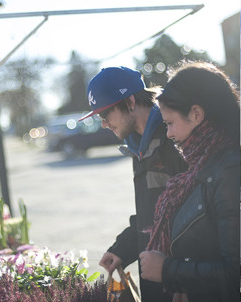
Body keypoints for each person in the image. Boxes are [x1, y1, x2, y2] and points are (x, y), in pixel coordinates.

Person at [79, 66, 187, 301]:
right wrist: (123, 249)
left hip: (179, 283)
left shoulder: (175, 140)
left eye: (104, 115)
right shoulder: (137, 145)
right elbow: (151, 214)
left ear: (129, 102)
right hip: (155, 279)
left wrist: (174, 272)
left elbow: (195, 219)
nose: (103, 124)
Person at [139, 61, 240, 302]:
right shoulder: (203, 165)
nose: (169, 134)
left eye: (170, 123)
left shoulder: (228, 171)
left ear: (196, 114)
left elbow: (239, 272)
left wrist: (167, 270)